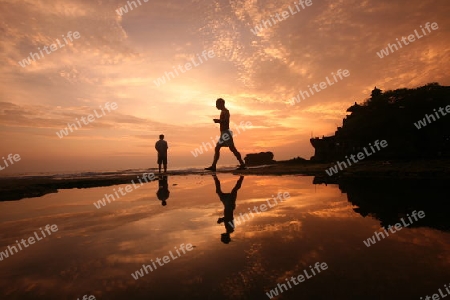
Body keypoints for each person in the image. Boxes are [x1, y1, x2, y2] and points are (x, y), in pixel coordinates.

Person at [205, 98, 246, 171]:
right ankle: (213, 166)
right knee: (217, 148)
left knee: (232, 149)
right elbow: (224, 120)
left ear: (221, 104)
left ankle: (242, 164)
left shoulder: (226, 111)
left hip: (226, 133)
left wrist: (218, 121)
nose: (216, 106)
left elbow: (226, 121)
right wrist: (219, 121)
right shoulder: (222, 112)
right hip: (223, 133)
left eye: (217, 104)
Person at [213, 174, 244, 244]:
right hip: (229, 205)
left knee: (220, 191)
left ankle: (215, 177)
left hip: (227, 205)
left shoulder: (229, 229)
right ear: (226, 237)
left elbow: (228, 219)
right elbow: (228, 218)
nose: (221, 235)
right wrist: (221, 220)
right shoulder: (230, 229)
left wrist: (222, 220)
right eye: (222, 237)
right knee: (234, 189)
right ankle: (242, 176)